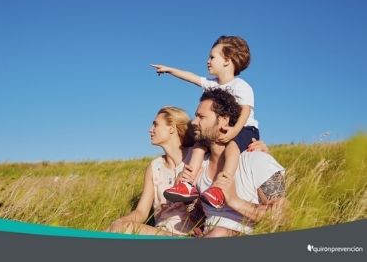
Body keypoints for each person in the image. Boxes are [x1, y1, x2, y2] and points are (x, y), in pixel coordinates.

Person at [151, 35, 259, 208]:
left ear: (227, 61)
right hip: (218, 129)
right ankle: (188, 184)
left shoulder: (241, 86)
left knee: (232, 148)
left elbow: (246, 111)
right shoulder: (212, 84)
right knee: (199, 146)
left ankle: (220, 187)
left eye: (212, 57)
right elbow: (191, 77)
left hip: (244, 128)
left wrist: (235, 131)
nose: (208, 61)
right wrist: (170, 70)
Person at [184, 88, 285, 237]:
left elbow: (283, 217)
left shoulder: (255, 160)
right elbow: (202, 219)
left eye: (201, 117)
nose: (194, 122)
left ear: (224, 120)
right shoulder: (200, 166)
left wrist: (233, 200)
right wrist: (189, 200)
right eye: (195, 116)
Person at [108, 106, 199, 236]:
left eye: (155, 125)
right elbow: (141, 212)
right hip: (160, 232)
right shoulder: (154, 167)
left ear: (171, 128)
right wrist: (119, 221)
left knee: (124, 228)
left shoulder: (196, 157)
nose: (150, 130)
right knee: (118, 227)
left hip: (189, 233)